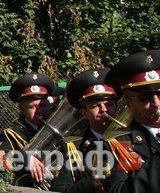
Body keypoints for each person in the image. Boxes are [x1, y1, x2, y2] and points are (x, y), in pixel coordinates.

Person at [97, 49, 160, 192]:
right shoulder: (111, 146)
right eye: (145, 97)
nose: (156, 103)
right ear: (127, 100)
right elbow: (117, 190)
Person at [51, 69, 119, 192]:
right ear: (84, 113)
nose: (103, 109)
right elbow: (59, 189)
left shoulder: (133, 137)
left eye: (109, 104)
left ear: (117, 107)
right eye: (95, 106)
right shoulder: (72, 147)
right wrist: (92, 184)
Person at [0, 72, 57, 184]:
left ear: (49, 105)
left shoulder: (58, 131)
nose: (39, 110)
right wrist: (27, 160)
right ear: (21, 109)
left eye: (43, 105)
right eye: (33, 107)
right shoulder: (12, 134)